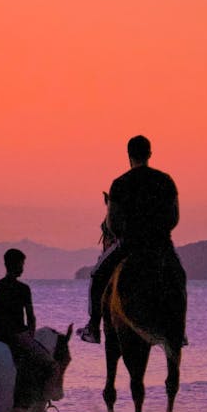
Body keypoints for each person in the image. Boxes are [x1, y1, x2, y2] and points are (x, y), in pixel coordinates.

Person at [77, 135, 181, 343]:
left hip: (129, 245)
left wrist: (124, 233)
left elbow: (112, 224)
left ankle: (93, 327)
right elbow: (174, 217)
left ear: (129, 155)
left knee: (97, 275)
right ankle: (178, 331)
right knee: (177, 279)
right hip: (160, 245)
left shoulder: (120, 184)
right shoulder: (166, 181)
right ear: (150, 154)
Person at [0, 248, 56, 404]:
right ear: (17, 265)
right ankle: (43, 406)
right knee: (51, 366)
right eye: (22, 264)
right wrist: (30, 336)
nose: (23, 268)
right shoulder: (23, 289)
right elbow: (31, 317)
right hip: (18, 336)